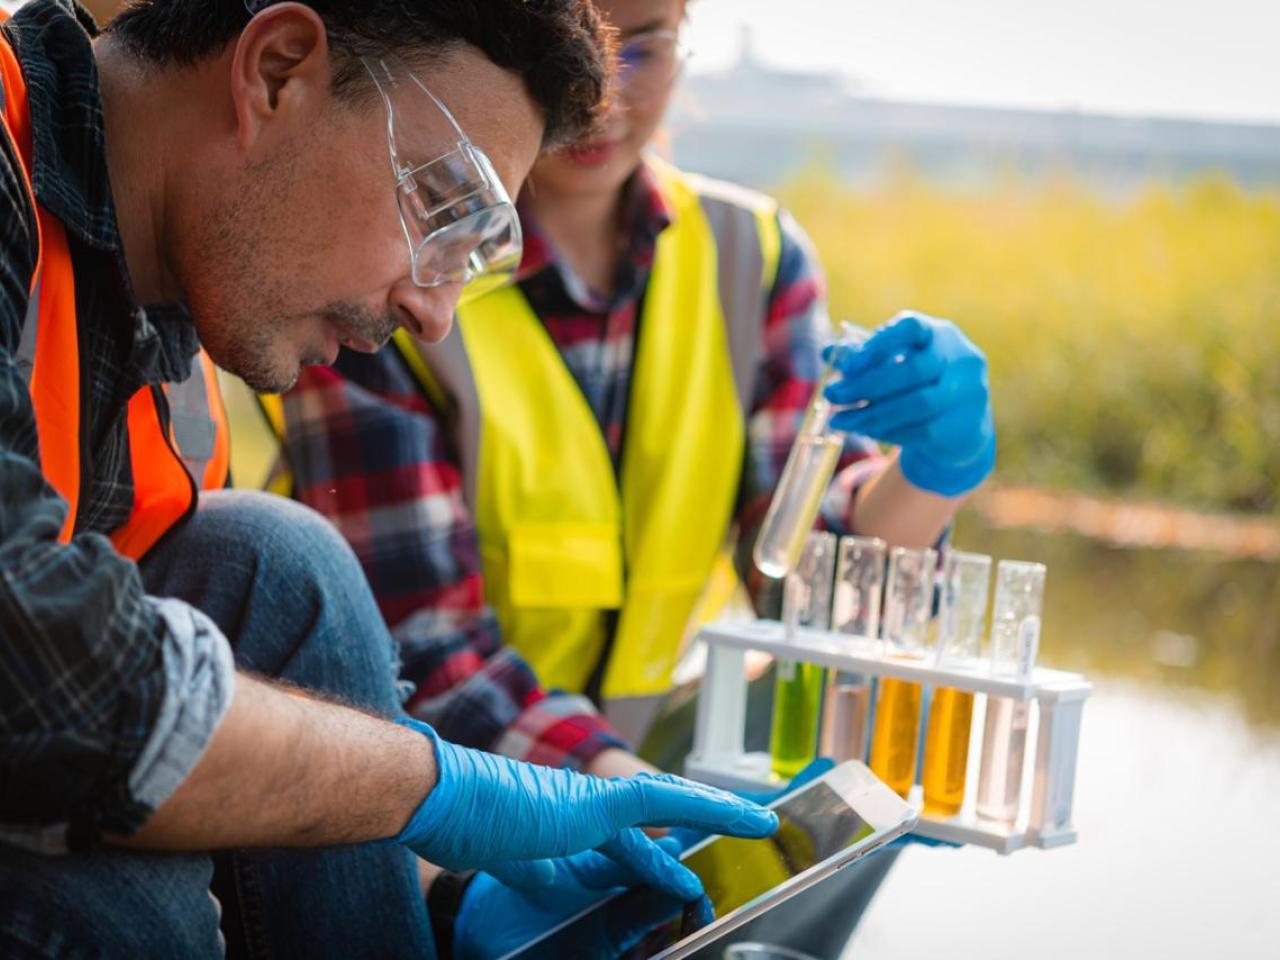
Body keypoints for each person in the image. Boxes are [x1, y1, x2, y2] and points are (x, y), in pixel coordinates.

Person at [0, 1, 783, 956]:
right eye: (439, 203)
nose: (436, 312)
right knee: (121, 911)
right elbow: (41, 683)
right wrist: (433, 785)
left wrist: (443, 900)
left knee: (278, 564)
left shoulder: (171, 344)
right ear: (278, 72)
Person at [281, 0, 994, 765]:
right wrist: (623, 800)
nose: (603, 96)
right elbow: (417, 657)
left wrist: (930, 473)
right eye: (568, 49)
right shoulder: (388, 265)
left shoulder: (750, 259)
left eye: (643, 50)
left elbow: (806, 589)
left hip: (627, 778)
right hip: (424, 802)